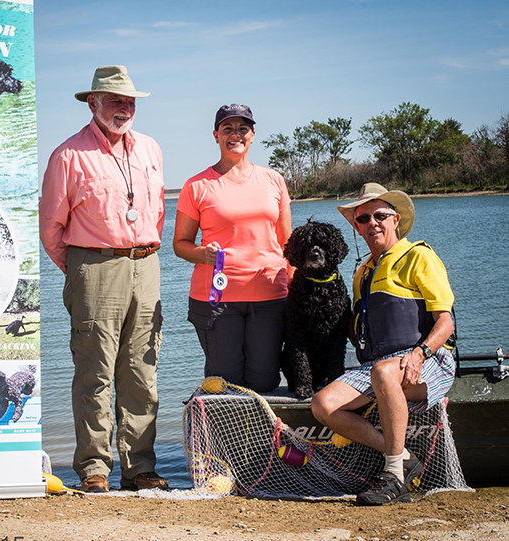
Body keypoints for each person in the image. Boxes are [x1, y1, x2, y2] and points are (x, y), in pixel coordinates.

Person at [39, 65, 168, 493]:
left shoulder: (150, 148)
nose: (124, 108)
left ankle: (140, 468)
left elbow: (158, 216)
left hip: (146, 265)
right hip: (93, 269)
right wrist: (81, 271)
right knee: (94, 373)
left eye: (129, 101)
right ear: (92, 103)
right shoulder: (68, 155)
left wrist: (140, 255)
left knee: (142, 370)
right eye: (114, 100)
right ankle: (94, 468)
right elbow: (51, 228)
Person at [311, 183, 456, 506]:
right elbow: (358, 329)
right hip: (378, 366)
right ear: (357, 227)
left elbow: (445, 323)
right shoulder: (362, 271)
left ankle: (394, 478)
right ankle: (403, 455)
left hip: (428, 358)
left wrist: (420, 354)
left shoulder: (419, 256)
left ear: (396, 220)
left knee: (384, 371)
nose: (371, 223)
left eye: (380, 215)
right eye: (363, 218)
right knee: (323, 404)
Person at [173, 104, 292, 393]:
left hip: (270, 297)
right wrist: (203, 254)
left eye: (242, 129)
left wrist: (296, 284)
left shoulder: (274, 180)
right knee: (225, 385)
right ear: (216, 135)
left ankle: (262, 439)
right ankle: (225, 439)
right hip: (216, 301)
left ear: (253, 135)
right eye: (227, 129)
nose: (235, 135)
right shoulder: (196, 186)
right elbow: (180, 244)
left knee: (265, 382)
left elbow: (289, 244)